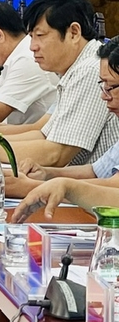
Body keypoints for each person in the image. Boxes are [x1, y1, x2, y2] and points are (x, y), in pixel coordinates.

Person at [0, 0, 119, 168]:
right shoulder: (74, 69)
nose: (32, 47)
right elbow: (42, 134)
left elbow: (56, 154)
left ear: (74, 32)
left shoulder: (90, 69)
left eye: (40, 35)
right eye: (31, 36)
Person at [11, 38, 119, 221]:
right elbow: (96, 171)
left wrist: (36, 186)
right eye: (103, 85)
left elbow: (114, 188)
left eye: (110, 87)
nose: (104, 96)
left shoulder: (84, 71)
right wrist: (46, 174)